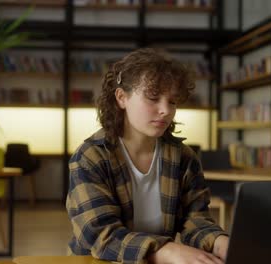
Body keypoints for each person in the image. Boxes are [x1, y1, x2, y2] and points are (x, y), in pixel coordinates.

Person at [66, 48, 229, 264]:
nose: (165, 110)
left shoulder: (183, 157)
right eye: (153, 98)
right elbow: (101, 237)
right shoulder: (89, 158)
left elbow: (195, 221)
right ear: (122, 98)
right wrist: (168, 251)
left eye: (172, 101)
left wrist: (221, 241)